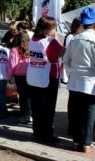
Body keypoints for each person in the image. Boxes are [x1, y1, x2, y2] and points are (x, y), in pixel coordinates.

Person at [63, 7, 95, 153]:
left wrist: (76, 70)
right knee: (89, 111)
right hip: (91, 81)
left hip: (75, 80)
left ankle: (77, 141)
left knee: (76, 112)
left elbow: (66, 61)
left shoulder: (75, 38)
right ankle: (87, 143)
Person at [26, 16, 65, 144]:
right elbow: (64, 52)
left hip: (33, 75)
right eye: (54, 28)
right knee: (48, 108)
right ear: (48, 29)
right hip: (48, 76)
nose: (55, 30)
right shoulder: (50, 42)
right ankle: (47, 135)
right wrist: (57, 40)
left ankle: (37, 132)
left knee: (36, 106)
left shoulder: (33, 39)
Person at [8, 31, 32, 123]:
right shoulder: (30, 49)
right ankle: (29, 114)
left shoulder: (14, 50)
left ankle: (23, 114)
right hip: (29, 74)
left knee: (22, 96)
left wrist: (9, 76)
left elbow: (12, 65)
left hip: (19, 76)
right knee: (29, 95)